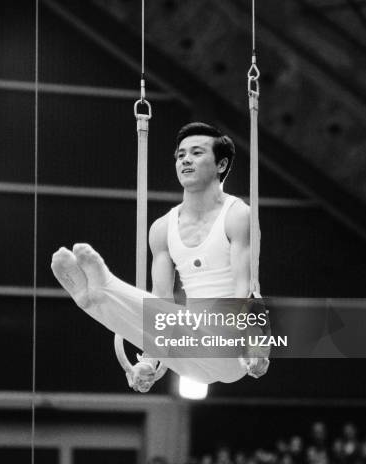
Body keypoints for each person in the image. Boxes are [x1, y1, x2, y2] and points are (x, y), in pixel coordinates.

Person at [51, 123, 270, 391]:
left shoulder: (237, 215)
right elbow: (161, 300)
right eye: (180, 155)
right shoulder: (162, 228)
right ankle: (95, 299)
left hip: (231, 348)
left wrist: (256, 341)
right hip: (190, 349)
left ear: (221, 165)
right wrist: (149, 363)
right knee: (157, 314)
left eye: (197, 153)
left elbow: (245, 287)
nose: (186, 159)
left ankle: (107, 287)